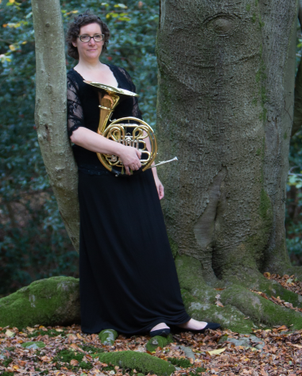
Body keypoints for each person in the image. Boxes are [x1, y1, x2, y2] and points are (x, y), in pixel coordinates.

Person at [66, 11, 220, 338]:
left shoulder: (120, 74)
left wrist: (152, 172)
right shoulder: (72, 80)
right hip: (99, 176)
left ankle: (175, 315)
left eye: (96, 36)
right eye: (85, 37)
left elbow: (139, 128)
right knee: (121, 247)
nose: (92, 42)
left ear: (104, 39)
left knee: (153, 245)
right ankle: (143, 318)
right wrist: (118, 149)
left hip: (136, 172)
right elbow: (76, 133)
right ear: (74, 42)